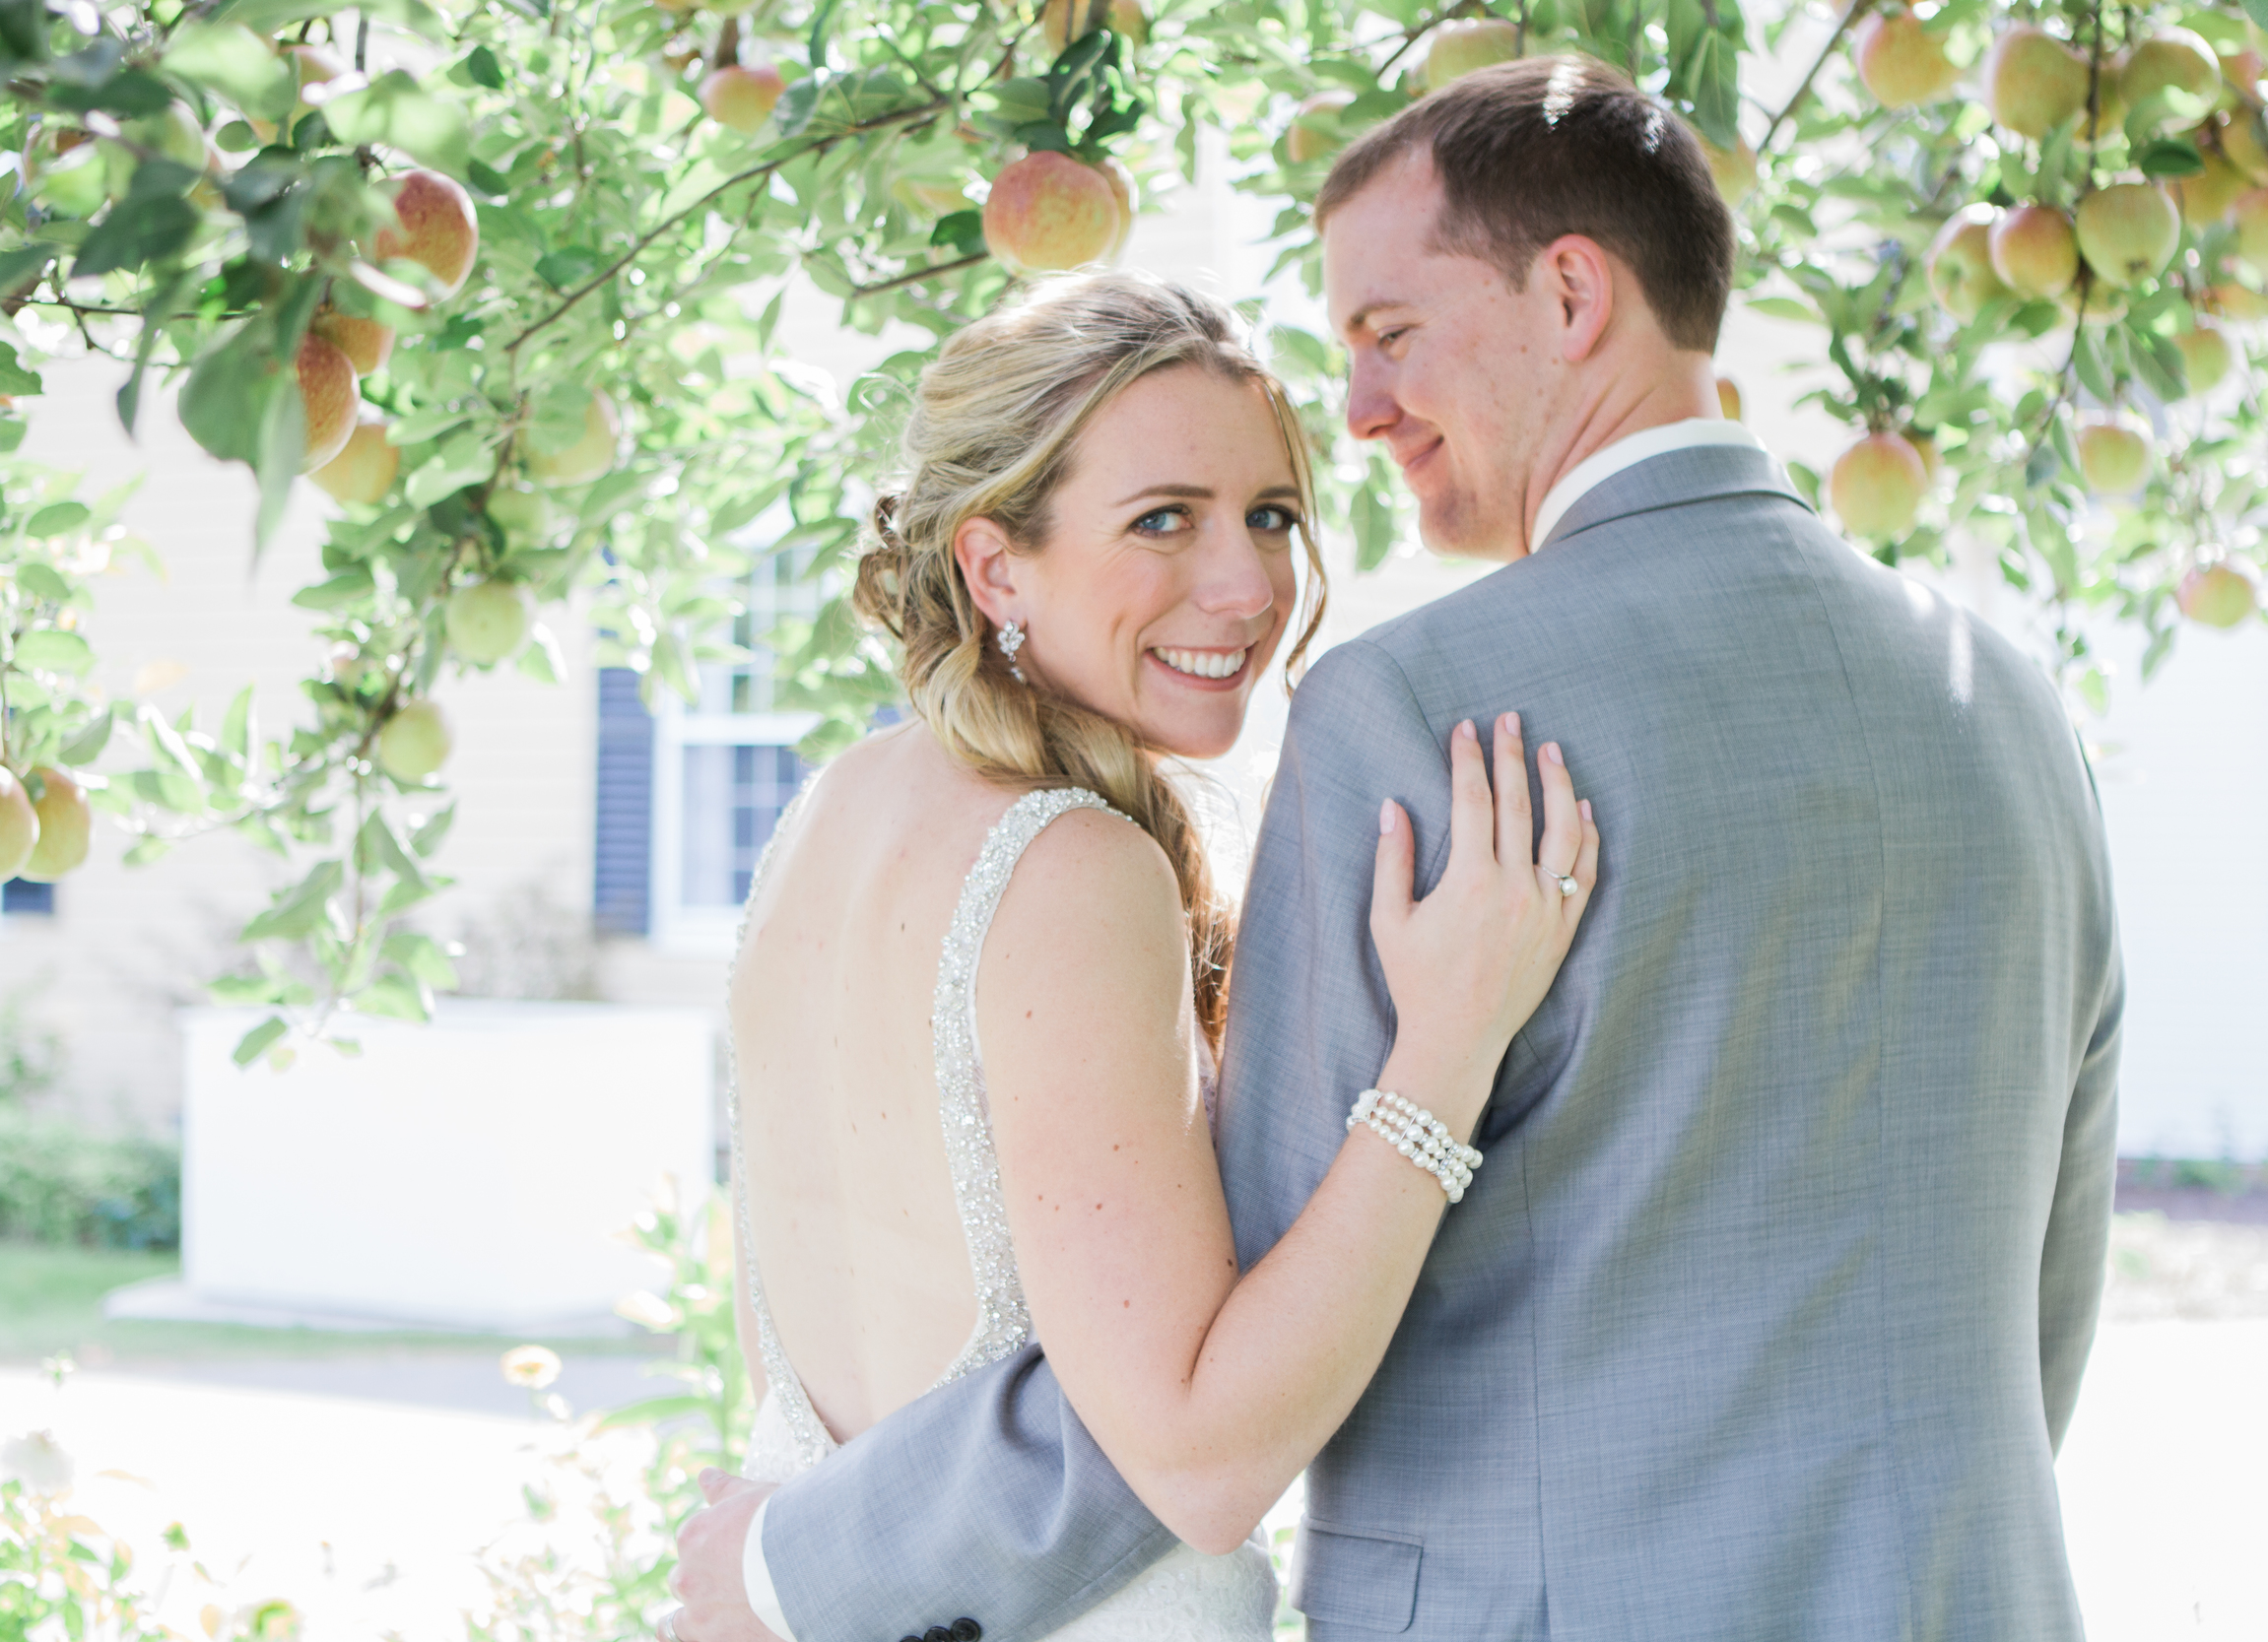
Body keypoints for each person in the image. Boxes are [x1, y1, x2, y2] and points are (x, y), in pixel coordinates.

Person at [677, 54, 2122, 1642]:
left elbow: (1198, 1400)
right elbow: (2046, 1289)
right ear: (993, 564)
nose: (1360, 415)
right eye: (1167, 516)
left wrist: (790, 1561)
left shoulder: (1424, 716)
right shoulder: (2009, 703)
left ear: (1572, 295)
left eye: (1389, 336)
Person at [683, 268, 1597, 1642]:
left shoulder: (825, 819)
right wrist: (1450, 1046)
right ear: (996, 567)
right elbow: (1202, 1455)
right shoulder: (1072, 870)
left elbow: (790, 1361)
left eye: (1271, 517)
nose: (1245, 586)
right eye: (1162, 519)